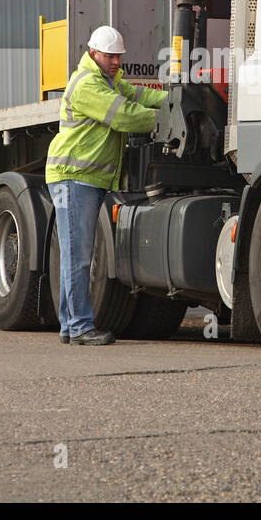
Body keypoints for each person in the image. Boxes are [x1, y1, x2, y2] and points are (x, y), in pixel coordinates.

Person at [47, 25, 167, 345]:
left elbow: (139, 95)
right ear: (93, 53)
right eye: (110, 56)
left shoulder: (109, 80)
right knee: (80, 256)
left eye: (118, 57)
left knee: (75, 254)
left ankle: (69, 327)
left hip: (85, 179)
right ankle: (81, 327)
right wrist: (164, 120)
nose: (115, 62)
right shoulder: (88, 85)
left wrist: (176, 99)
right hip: (73, 179)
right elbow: (125, 116)